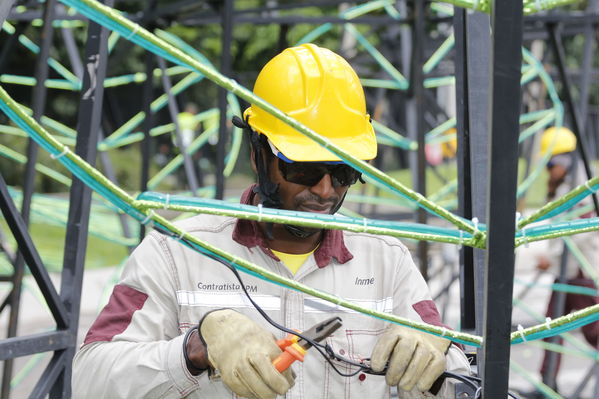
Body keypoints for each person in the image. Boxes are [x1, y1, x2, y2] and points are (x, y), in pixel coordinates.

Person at [72, 43, 470, 399]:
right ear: (257, 154)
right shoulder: (177, 252)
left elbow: (460, 384)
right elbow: (90, 379)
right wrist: (194, 350)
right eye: (305, 170)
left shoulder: (387, 263)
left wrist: (439, 354)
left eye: (344, 172)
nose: (326, 191)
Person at [531, 127, 599, 392]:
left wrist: (552, 256)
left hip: (580, 273)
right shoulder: (567, 185)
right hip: (567, 272)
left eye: (550, 164)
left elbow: (578, 232)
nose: (549, 171)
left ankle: (547, 383)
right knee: (551, 329)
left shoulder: (581, 188)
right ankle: (546, 383)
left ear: (563, 160)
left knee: (593, 332)